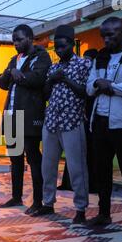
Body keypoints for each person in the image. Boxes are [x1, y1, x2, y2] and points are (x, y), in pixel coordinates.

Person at [86, 17, 122, 237]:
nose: (106, 39)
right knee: (102, 171)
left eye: (111, 34)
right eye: (104, 35)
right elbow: (89, 87)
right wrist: (98, 85)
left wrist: (108, 85)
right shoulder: (100, 56)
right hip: (99, 121)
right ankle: (104, 213)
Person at [31, 25, 91, 225]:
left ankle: (80, 208)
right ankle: (48, 203)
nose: (59, 50)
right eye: (56, 47)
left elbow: (85, 93)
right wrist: (52, 80)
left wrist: (64, 79)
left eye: (63, 46)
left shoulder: (83, 65)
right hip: (51, 123)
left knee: (76, 167)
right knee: (48, 166)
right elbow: (46, 94)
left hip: (72, 121)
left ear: (72, 44)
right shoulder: (53, 67)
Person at [0, 24, 52, 215]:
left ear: (29, 38)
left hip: (29, 115)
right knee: (15, 158)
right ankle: (16, 196)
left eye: (19, 39)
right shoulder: (14, 59)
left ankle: (38, 201)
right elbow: (3, 83)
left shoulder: (41, 56)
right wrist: (9, 73)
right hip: (12, 115)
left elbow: (38, 79)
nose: (16, 44)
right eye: (14, 40)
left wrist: (18, 76)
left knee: (33, 158)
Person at [58, 49, 98, 193]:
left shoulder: (94, 77)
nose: (87, 61)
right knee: (73, 153)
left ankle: (91, 185)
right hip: (78, 118)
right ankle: (69, 184)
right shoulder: (82, 74)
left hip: (91, 119)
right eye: (85, 58)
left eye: (89, 59)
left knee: (90, 154)